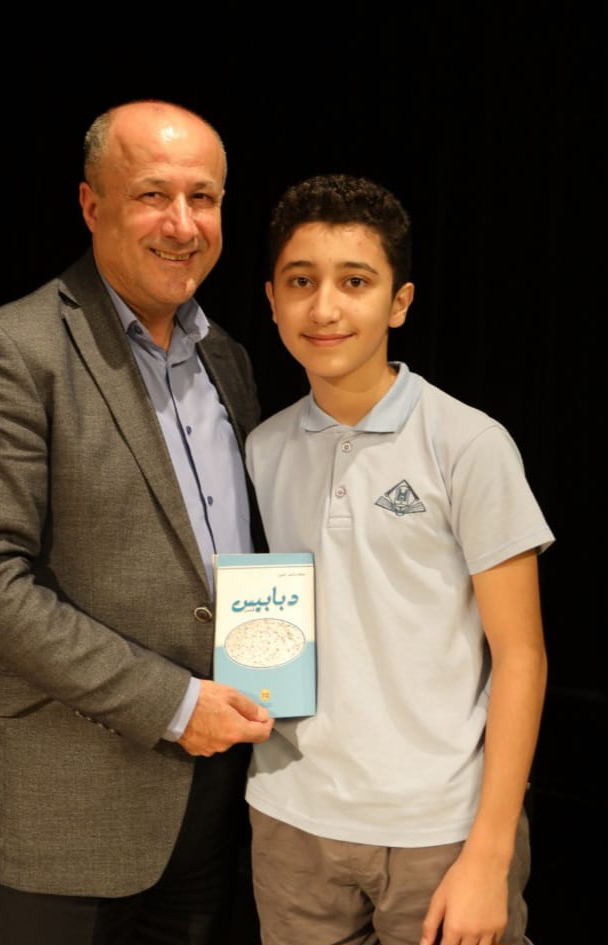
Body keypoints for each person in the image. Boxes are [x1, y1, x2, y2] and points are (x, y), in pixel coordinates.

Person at [0, 100, 273, 945]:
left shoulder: (227, 358)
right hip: (56, 816)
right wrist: (172, 703)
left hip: (208, 811)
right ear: (91, 205)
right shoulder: (11, 348)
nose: (183, 224)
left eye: (203, 197)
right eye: (153, 194)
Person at [244, 174, 553, 945]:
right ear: (272, 300)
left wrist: (489, 853)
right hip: (291, 820)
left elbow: (520, 655)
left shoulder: (468, 443)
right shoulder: (261, 447)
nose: (324, 308)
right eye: (301, 282)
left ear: (399, 302)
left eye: (354, 281)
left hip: (440, 828)